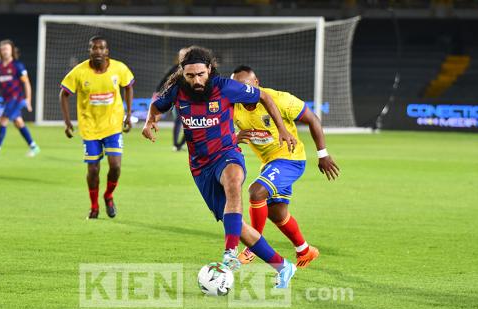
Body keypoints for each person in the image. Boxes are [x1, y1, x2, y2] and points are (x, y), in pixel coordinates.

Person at [142, 46, 298, 288]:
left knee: (234, 184)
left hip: (227, 154)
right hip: (200, 167)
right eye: (191, 75)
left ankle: (230, 252)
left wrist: (284, 130)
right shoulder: (177, 91)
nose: (196, 80)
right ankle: (282, 266)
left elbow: (264, 97)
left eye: (201, 74)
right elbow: (157, 105)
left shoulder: (225, 87)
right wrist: (149, 122)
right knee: (236, 225)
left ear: (209, 70)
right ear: (183, 74)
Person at [231, 65, 340, 268]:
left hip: (291, 159)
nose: (242, 92)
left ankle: (253, 246)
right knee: (276, 212)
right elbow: (222, 136)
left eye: (246, 86)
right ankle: (305, 250)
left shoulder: (280, 99)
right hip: (270, 164)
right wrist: (234, 138)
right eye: (236, 87)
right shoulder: (233, 106)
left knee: (256, 192)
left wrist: (322, 154)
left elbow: (312, 119)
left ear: (256, 83)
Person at [59, 35, 134, 219]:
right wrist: (67, 122)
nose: (98, 51)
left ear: (107, 51)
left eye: (101, 48)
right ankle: (94, 207)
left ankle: (108, 196)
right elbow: (64, 94)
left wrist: (129, 114)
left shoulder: (119, 68)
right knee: (93, 169)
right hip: (90, 128)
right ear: (90, 50)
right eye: (94, 48)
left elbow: (129, 86)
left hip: (113, 126)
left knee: (115, 166)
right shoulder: (79, 72)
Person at [0, 39, 40, 157]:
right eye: (3, 49)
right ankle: (34, 147)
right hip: (7, 99)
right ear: (0, 51)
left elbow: (26, 83)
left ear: (12, 51)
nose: (5, 51)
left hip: (16, 99)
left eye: (7, 49)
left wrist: (28, 99)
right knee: (18, 122)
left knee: (2, 120)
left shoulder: (17, 66)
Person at [154, 48, 188, 151]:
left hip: (191, 100)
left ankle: (181, 144)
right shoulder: (175, 69)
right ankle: (175, 144)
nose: (182, 57)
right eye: (181, 55)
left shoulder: (193, 68)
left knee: (190, 123)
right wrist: (157, 92)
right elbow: (164, 79)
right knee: (178, 120)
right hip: (178, 99)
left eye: (184, 55)